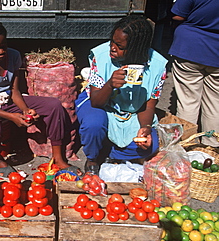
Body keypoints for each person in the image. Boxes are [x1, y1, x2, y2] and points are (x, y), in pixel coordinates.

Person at [0, 18, 80, 177]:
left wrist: (26, 110)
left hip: (9, 100)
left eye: (3, 46)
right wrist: (11, 116)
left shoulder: (13, 56)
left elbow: (14, 91)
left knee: (54, 105)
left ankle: (58, 157)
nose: (1, 51)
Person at [75, 15, 168, 175]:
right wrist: (110, 85)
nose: (112, 47)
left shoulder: (157, 66)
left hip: (133, 111)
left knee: (150, 145)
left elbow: (149, 105)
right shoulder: (101, 55)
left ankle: (108, 152)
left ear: (136, 48)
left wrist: (145, 128)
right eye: (112, 41)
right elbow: (96, 102)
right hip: (100, 103)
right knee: (93, 125)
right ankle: (92, 158)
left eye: (119, 46)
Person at [168, 0, 219, 147]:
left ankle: (186, 145)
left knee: (188, 102)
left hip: (190, 48)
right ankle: (211, 147)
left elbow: (178, 15)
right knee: (215, 104)